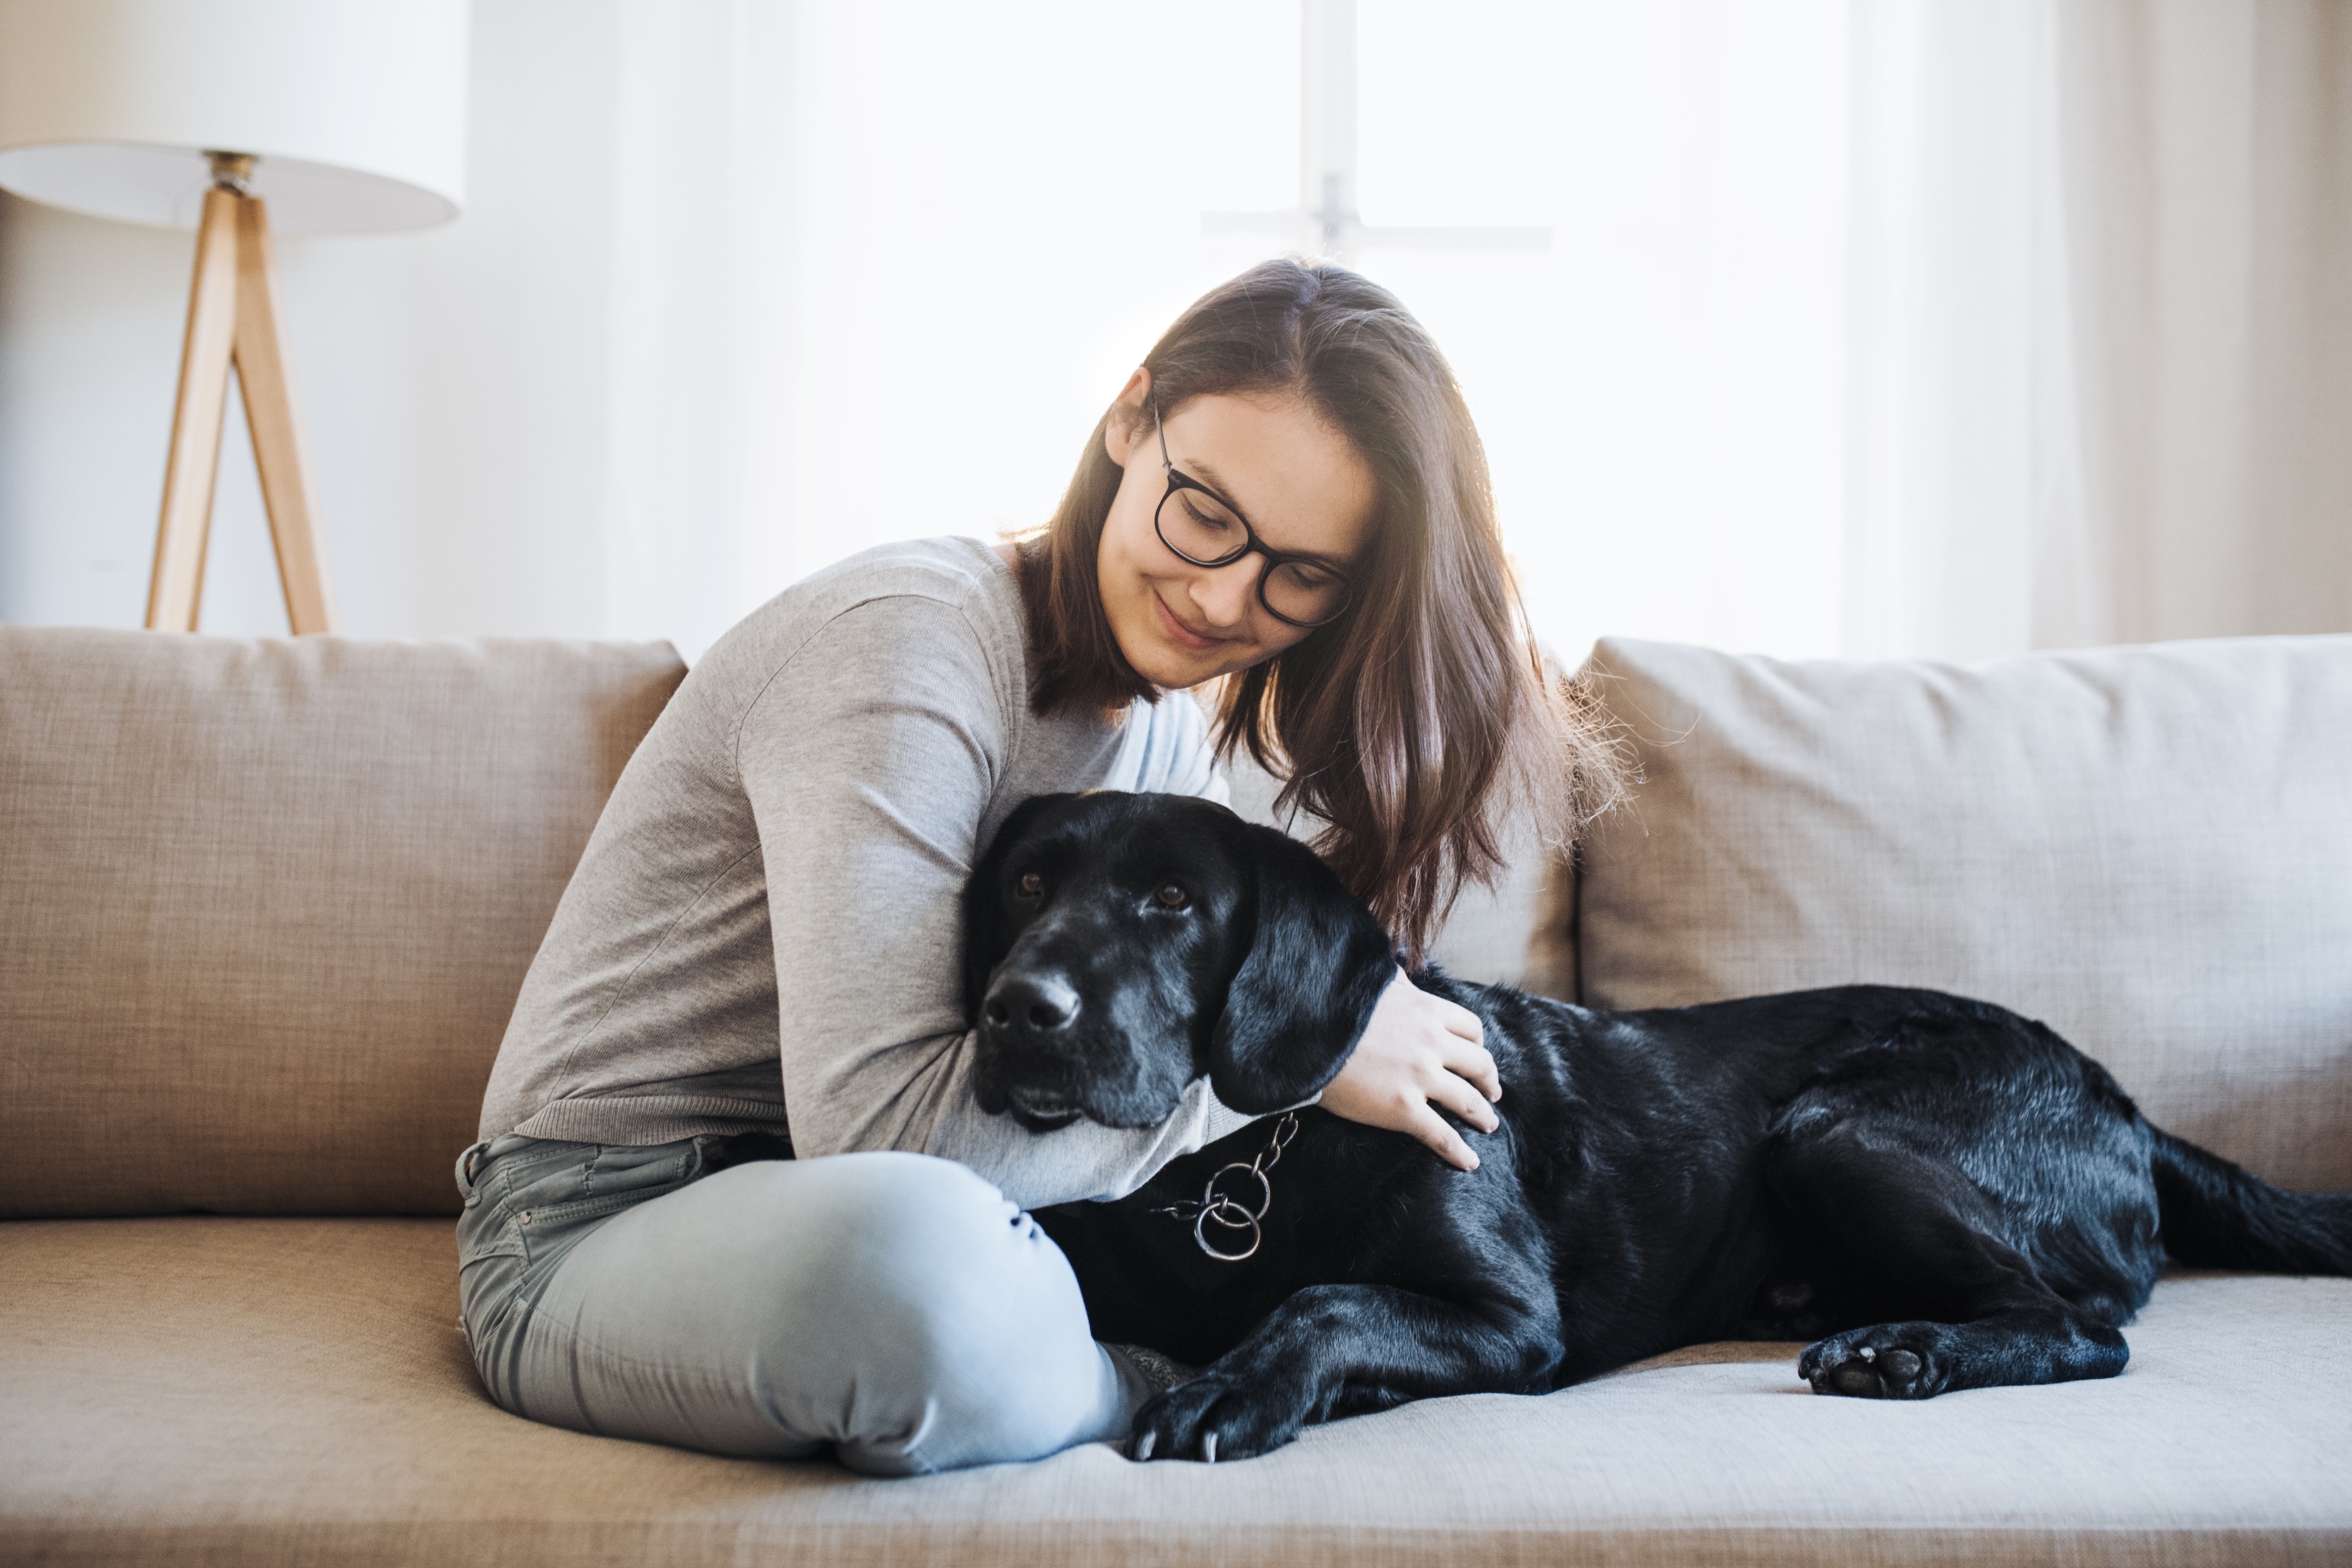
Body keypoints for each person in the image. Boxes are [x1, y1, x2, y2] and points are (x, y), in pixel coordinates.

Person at [455, 258, 1618, 1474]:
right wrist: (1304, 1068)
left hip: (884, 1201)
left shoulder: (1160, 720)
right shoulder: (913, 644)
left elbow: (1119, 1082)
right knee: (919, 1270)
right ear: (1130, 417)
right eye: (1205, 512)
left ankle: (1102, 1366)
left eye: (1300, 574)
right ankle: (1123, 1384)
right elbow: (878, 1133)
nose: (1222, 597)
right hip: (603, 1215)